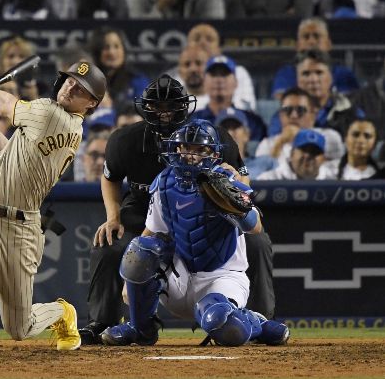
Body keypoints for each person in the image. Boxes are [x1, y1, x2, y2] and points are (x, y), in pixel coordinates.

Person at [79, 75, 276, 345]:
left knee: (258, 241)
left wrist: (236, 192)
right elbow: (110, 178)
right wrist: (113, 218)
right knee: (116, 246)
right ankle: (116, 323)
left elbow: (242, 179)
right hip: (146, 214)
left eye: (171, 106)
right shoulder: (129, 144)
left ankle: (257, 318)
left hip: (209, 220)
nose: (164, 113)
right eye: (186, 148)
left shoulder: (216, 136)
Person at [0, 60, 108, 356]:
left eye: (81, 89)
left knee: (19, 327)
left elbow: (5, 103)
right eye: (69, 81)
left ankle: (63, 313)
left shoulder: (51, 115)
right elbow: (3, 154)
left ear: (91, 103)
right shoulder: (51, 119)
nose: (71, 88)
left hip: (18, 228)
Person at [270, 18, 359, 99]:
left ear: (328, 44)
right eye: (306, 37)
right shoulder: (285, 74)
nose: (311, 41)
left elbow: (353, 101)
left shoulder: (344, 74)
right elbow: (282, 101)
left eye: (317, 36)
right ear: (297, 45)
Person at [256, 87, 345, 162]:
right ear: (280, 116)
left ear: (313, 115)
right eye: (288, 110)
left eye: (300, 110)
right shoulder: (267, 144)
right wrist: (279, 143)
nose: (294, 116)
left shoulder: (329, 137)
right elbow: (261, 176)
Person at [181, 23, 256, 111]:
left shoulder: (239, 72)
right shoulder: (180, 76)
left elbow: (246, 108)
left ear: (217, 47)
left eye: (209, 39)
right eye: (197, 39)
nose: (202, 43)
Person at [191, 55, 267, 142]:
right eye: (213, 74)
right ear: (204, 82)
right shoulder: (191, 121)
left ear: (236, 82)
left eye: (224, 74)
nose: (219, 80)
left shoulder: (252, 122)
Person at [215, 109, 276, 179]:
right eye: (224, 128)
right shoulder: (210, 167)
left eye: (235, 127)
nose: (230, 133)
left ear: (247, 134)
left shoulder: (266, 163)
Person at [257, 129, 332, 180]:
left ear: (323, 159)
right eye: (303, 149)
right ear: (291, 153)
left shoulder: (332, 180)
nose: (307, 155)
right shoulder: (269, 179)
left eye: (314, 151)